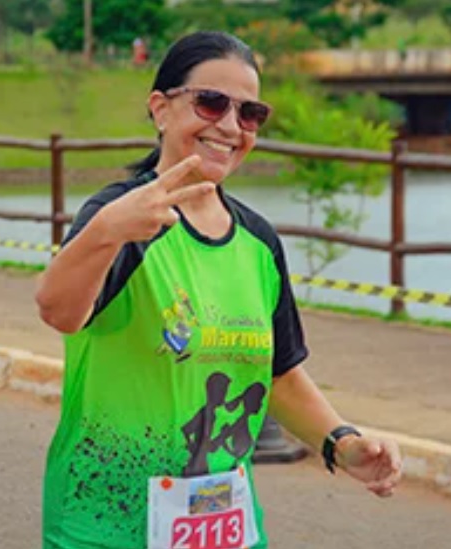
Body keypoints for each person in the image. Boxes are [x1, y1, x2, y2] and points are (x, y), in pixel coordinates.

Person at [35, 30, 402, 549]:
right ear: (161, 109)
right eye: (211, 103)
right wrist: (106, 232)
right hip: (107, 526)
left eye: (250, 113)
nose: (230, 126)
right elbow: (58, 309)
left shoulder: (257, 241)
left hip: (222, 528)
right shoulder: (122, 217)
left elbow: (279, 374)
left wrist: (342, 443)